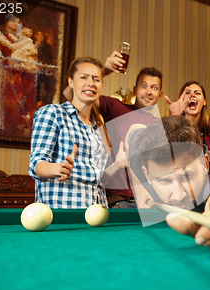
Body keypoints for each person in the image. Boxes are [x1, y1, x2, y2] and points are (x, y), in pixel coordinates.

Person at [129, 116, 210, 259]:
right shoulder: (141, 159)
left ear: (205, 164)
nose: (179, 195)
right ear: (146, 174)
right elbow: (132, 132)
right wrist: (137, 185)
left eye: (186, 176)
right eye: (164, 180)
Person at [65, 52, 164, 208]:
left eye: (154, 88)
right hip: (119, 200)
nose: (148, 91)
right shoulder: (115, 107)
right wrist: (103, 70)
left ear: (160, 95)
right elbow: (72, 95)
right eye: (143, 86)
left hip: (149, 202)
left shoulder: (161, 126)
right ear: (135, 89)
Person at [29, 57, 110, 208]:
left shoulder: (98, 127)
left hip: (97, 215)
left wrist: (119, 164)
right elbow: (36, 164)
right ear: (71, 82)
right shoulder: (52, 113)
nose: (91, 83)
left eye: (96, 79)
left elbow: (98, 178)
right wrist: (57, 168)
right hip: (62, 215)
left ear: (101, 85)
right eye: (84, 77)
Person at [166, 81, 210, 155]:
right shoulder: (174, 129)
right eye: (187, 93)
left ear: (204, 102)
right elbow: (165, 156)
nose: (192, 95)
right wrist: (175, 117)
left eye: (197, 93)